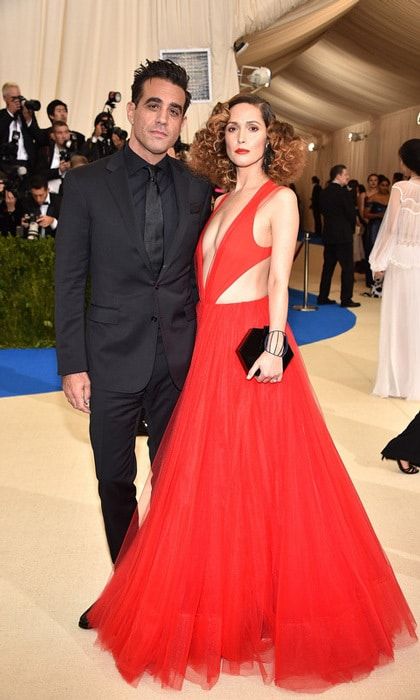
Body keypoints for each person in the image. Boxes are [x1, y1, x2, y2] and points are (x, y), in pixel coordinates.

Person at [87, 94, 416, 692]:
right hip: (208, 347)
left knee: (265, 477)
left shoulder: (280, 199)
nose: (242, 136)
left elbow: (279, 281)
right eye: (232, 127)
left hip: (251, 351)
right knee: (212, 478)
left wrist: (272, 349)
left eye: (253, 127)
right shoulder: (218, 200)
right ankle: (228, 599)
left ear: (272, 138)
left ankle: (265, 606)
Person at [54, 59, 212, 617]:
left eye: (174, 111)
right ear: (132, 110)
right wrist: (72, 363)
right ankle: (130, 589)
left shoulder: (198, 190)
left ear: (182, 121)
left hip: (178, 362)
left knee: (174, 483)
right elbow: (70, 279)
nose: (162, 119)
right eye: (153, 105)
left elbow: (207, 276)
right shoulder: (84, 184)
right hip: (109, 358)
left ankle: (169, 586)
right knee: (114, 480)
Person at [369, 139, 420, 400]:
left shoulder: (401, 188)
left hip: (400, 260)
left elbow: (389, 228)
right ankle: (415, 380)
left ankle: (396, 380)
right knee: (417, 320)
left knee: (398, 319)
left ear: (408, 161)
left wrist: (378, 262)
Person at [317, 164, 360, 307]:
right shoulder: (343, 193)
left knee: (328, 267)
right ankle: (346, 299)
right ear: (338, 176)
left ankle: (323, 296)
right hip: (343, 235)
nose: (348, 177)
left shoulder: (324, 192)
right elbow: (350, 213)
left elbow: (321, 211)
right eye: (345, 174)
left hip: (329, 234)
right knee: (347, 268)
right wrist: (352, 228)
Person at [363, 175, 390, 292]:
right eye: (382, 185)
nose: (384, 187)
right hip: (375, 227)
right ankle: (371, 281)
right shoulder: (372, 198)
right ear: (379, 186)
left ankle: (384, 282)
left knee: (386, 253)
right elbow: (365, 214)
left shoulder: (392, 197)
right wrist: (378, 216)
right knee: (373, 252)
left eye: (386, 185)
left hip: (388, 229)